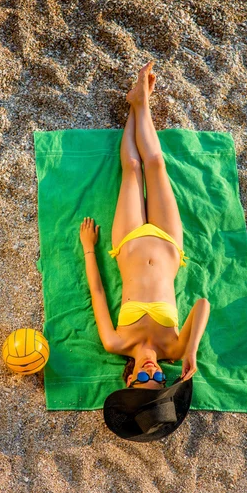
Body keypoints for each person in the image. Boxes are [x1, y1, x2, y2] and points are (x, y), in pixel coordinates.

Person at [79, 60, 210, 393]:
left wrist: (89, 248)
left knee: (133, 167)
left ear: (129, 378)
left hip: (129, 243)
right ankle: (141, 102)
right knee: (156, 163)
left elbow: (97, 292)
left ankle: (137, 103)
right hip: (168, 244)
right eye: (158, 380)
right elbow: (203, 305)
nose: (151, 373)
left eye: (142, 379)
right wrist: (192, 348)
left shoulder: (115, 342)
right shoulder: (174, 349)